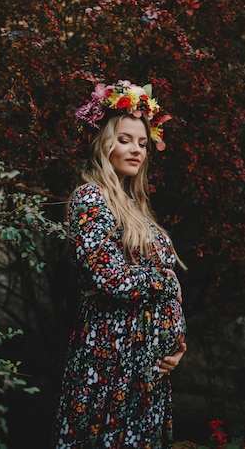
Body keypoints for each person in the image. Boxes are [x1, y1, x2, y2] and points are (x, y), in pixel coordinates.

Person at [52, 80, 187, 448]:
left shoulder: (134, 206)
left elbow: (148, 282)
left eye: (143, 143)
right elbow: (113, 280)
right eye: (126, 139)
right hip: (111, 358)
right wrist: (168, 283)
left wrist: (176, 343)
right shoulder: (91, 198)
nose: (137, 150)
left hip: (145, 365)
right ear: (103, 142)